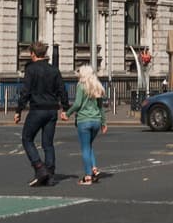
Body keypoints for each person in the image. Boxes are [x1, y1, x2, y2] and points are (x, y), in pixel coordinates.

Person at [13, 41, 70, 187]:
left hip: (37, 109)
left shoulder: (31, 70)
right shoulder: (54, 70)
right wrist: (65, 108)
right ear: (44, 54)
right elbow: (62, 90)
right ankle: (50, 174)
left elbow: (26, 92)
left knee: (27, 138)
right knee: (48, 144)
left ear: (33, 53)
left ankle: (39, 167)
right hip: (52, 110)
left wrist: (18, 110)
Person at [69, 63, 107, 185]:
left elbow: (77, 104)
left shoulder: (81, 86)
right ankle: (94, 169)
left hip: (84, 120)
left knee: (85, 148)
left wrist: (67, 113)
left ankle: (88, 176)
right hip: (96, 121)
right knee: (89, 145)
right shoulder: (97, 86)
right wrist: (104, 122)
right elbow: (101, 107)